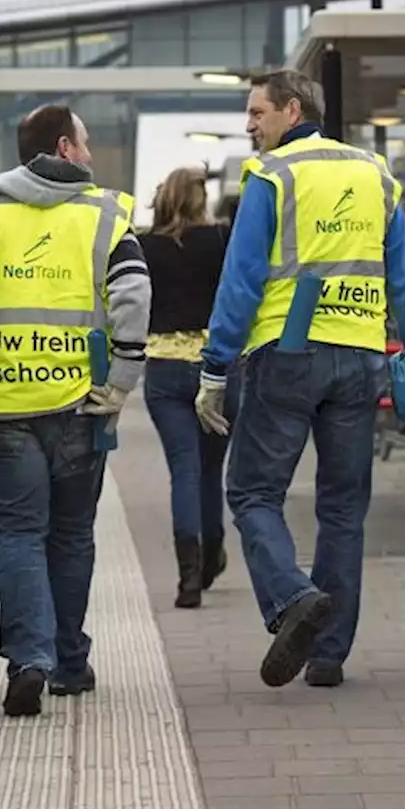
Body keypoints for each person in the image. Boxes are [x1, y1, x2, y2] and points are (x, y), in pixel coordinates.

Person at [195, 69, 405, 690]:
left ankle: (292, 599)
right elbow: (404, 280)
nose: (250, 125)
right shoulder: (374, 176)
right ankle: (329, 655)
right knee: (344, 508)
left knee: (254, 493)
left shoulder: (273, 176)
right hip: (361, 355)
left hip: (286, 353)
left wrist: (213, 367)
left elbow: (242, 280)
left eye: (257, 113)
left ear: (292, 110)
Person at [0, 104, 150, 717]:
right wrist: (124, 379)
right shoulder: (104, 213)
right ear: (63, 147)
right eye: (87, 142)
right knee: (72, 535)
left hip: (0, 399)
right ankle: (70, 663)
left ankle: (29, 659)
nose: (93, 154)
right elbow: (132, 293)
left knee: (19, 532)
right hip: (82, 400)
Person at [140, 166, 240, 609]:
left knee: (183, 469)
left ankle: (188, 580)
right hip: (216, 369)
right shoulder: (221, 240)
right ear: (201, 198)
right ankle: (212, 553)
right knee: (210, 469)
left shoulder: (144, 246)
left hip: (163, 370)